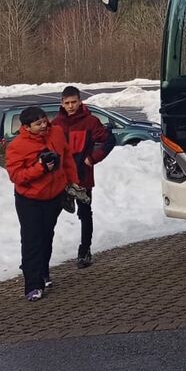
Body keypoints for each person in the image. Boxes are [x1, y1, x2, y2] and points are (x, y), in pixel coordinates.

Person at [5, 106, 79, 301]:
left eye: (45, 121)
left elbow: (67, 158)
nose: (44, 125)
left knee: (47, 236)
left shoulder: (56, 133)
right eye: (38, 124)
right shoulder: (17, 146)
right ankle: (33, 285)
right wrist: (40, 168)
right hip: (30, 200)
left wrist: (73, 183)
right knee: (32, 240)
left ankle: (43, 273)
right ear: (27, 127)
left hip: (54, 196)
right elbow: (16, 176)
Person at [51, 86, 114, 266]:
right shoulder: (56, 124)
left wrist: (92, 158)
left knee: (85, 214)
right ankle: (43, 257)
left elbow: (109, 140)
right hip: (62, 179)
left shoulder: (91, 122)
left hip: (83, 177)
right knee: (51, 215)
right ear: (62, 103)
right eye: (67, 103)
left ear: (80, 101)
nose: (71, 106)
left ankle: (84, 251)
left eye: (74, 102)